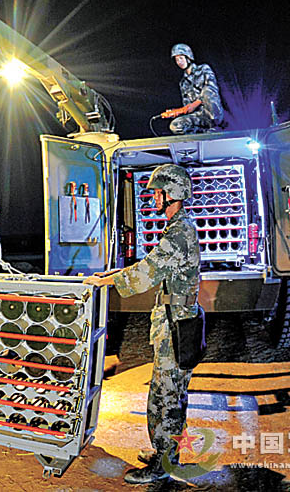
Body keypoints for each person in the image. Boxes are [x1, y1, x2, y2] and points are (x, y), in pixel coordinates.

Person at [83, 164, 200, 484]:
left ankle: (162, 465)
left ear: (173, 194)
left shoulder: (178, 233)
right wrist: (107, 276)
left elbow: (145, 274)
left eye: (159, 193)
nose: (155, 198)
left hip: (176, 324)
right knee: (172, 395)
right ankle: (166, 453)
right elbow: (149, 266)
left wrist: (105, 283)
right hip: (177, 321)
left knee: (165, 398)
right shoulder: (178, 228)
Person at [167, 43, 223, 135]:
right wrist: (177, 112)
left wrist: (195, 104)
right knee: (175, 125)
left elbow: (211, 89)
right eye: (177, 60)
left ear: (188, 57)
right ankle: (200, 133)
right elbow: (188, 106)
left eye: (181, 58)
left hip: (212, 111)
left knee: (207, 92)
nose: (179, 62)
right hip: (199, 116)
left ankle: (214, 126)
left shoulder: (204, 69)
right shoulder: (183, 83)